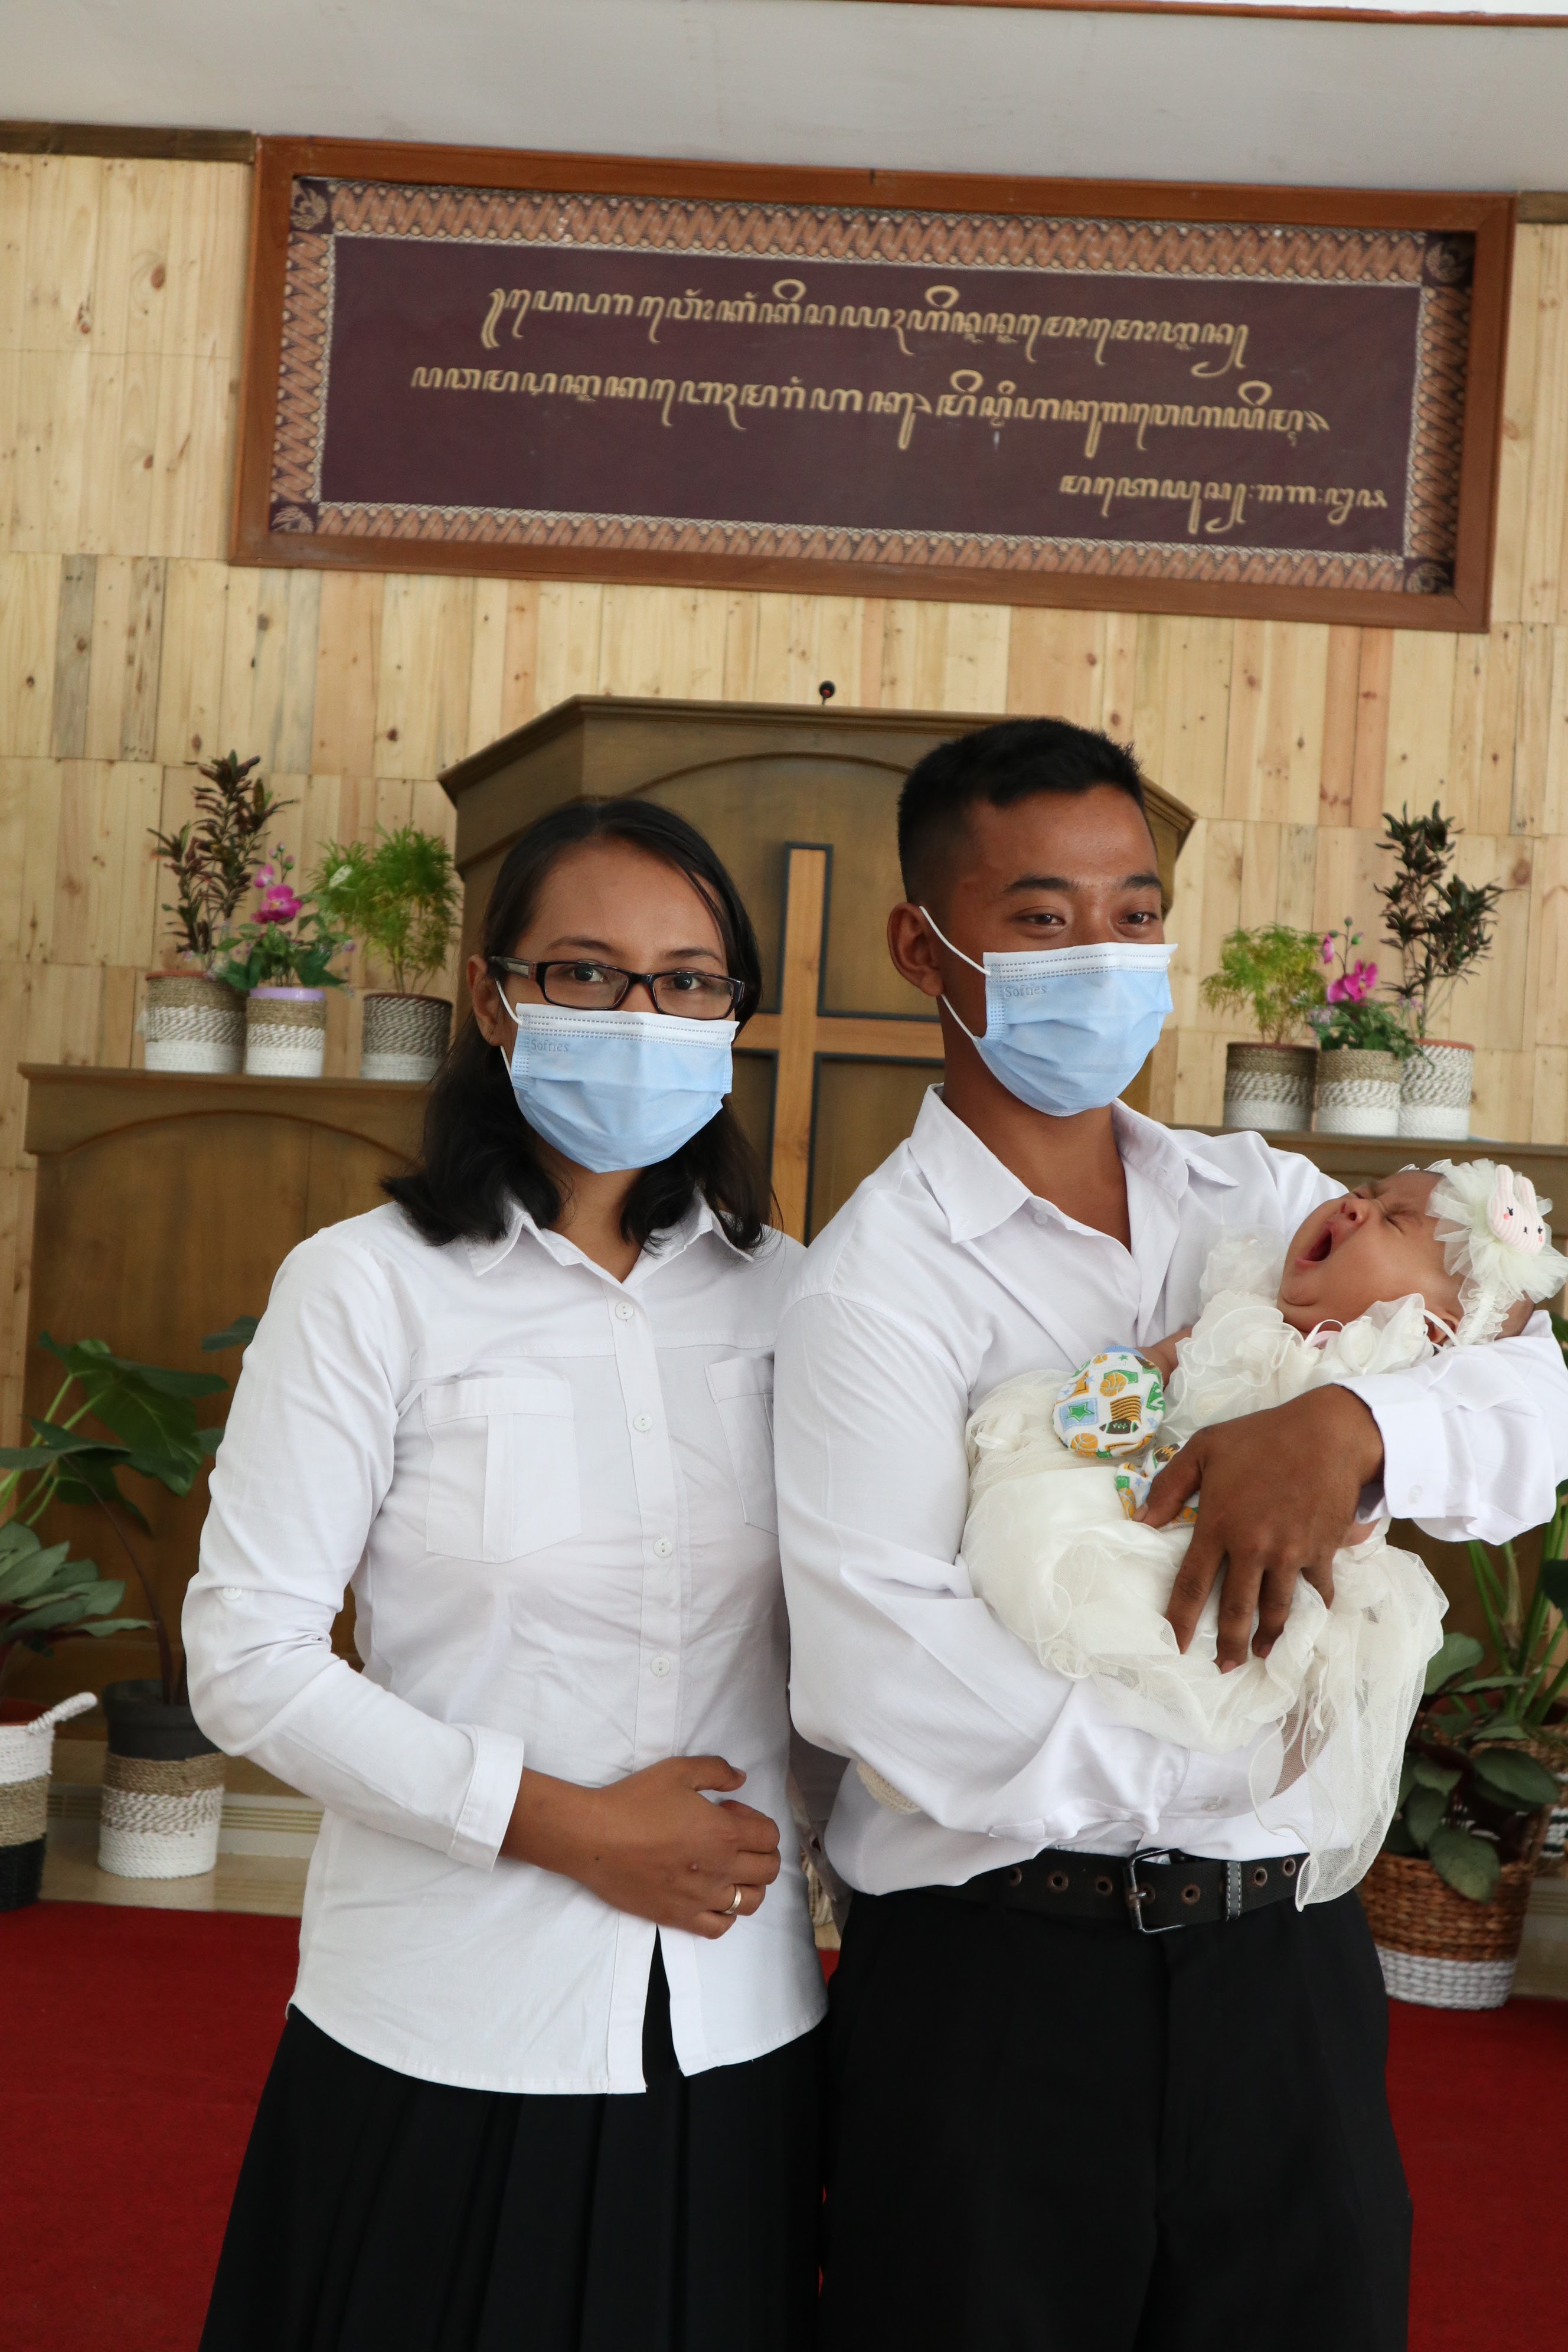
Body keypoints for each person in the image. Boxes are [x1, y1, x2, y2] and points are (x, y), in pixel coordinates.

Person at [773, 718, 1568, 2352]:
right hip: (1007, 1984)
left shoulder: (1257, 1196)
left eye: (1134, 914)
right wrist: (1234, 1761)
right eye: (1042, 918)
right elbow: (878, 1678)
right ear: (922, 947)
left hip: (1282, 1977)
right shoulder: (877, 1283)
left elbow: (1526, 1397)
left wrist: (1355, 1433)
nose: (1103, 955)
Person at [185, 799, 826, 2352]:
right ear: (494, 996)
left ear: (730, 1013)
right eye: (587, 972)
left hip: (733, 2019)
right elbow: (249, 1658)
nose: (641, 1015)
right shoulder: (367, 1290)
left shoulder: (794, 1299)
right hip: (448, 2016)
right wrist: (574, 1829)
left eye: (687, 981)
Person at [871, 1160, 1567, 1906]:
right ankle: (959, 1760)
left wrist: (1355, 1432)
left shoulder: (1389, 1373)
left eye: (1393, 1220)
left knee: (1235, 1658)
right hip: (1140, 1497)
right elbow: (1175, 1357)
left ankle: (1161, 1764)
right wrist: (1139, 1375)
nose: (1353, 1206)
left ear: (1428, 1328)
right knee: (1049, 1554)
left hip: (1260, 1583)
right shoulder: (1246, 1305)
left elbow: (1527, 1400)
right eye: (1365, 1192)